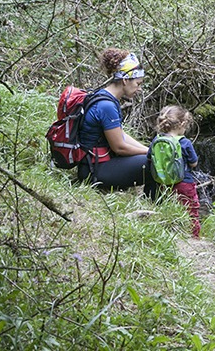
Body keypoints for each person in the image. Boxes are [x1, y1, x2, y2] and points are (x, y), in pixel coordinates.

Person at [78, 47, 152, 190]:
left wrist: (148, 149)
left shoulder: (104, 97)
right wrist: (149, 153)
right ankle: (155, 202)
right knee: (154, 163)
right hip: (94, 171)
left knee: (152, 157)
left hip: (94, 165)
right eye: (138, 83)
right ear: (125, 80)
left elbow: (120, 135)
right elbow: (119, 147)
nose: (139, 89)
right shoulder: (107, 106)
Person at [148, 105, 201, 237]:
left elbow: (150, 158)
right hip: (184, 182)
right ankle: (194, 236)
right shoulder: (185, 142)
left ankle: (171, 232)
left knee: (170, 205)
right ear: (182, 124)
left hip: (163, 182)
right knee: (191, 209)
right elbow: (194, 163)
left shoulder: (157, 140)